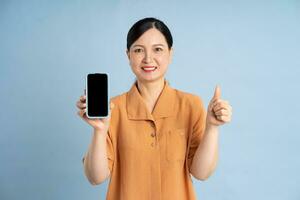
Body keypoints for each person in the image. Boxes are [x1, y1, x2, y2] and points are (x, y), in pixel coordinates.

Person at [76, 17, 232, 200]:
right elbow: (96, 178)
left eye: (157, 49)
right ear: (128, 55)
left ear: (170, 53)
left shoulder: (191, 105)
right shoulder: (112, 109)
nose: (148, 59)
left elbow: (201, 173)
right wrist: (100, 131)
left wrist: (212, 127)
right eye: (138, 50)